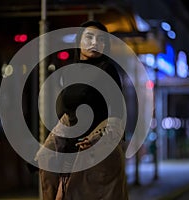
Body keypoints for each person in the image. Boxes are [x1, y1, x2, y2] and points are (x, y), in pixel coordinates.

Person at [37, 20, 129, 200]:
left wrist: (97, 137)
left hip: (97, 156)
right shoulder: (68, 72)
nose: (95, 43)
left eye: (101, 40)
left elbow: (118, 113)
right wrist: (49, 147)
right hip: (70, 155)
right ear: (78, 40)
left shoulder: (107, 69)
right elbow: (67, 115)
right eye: (89, 37)